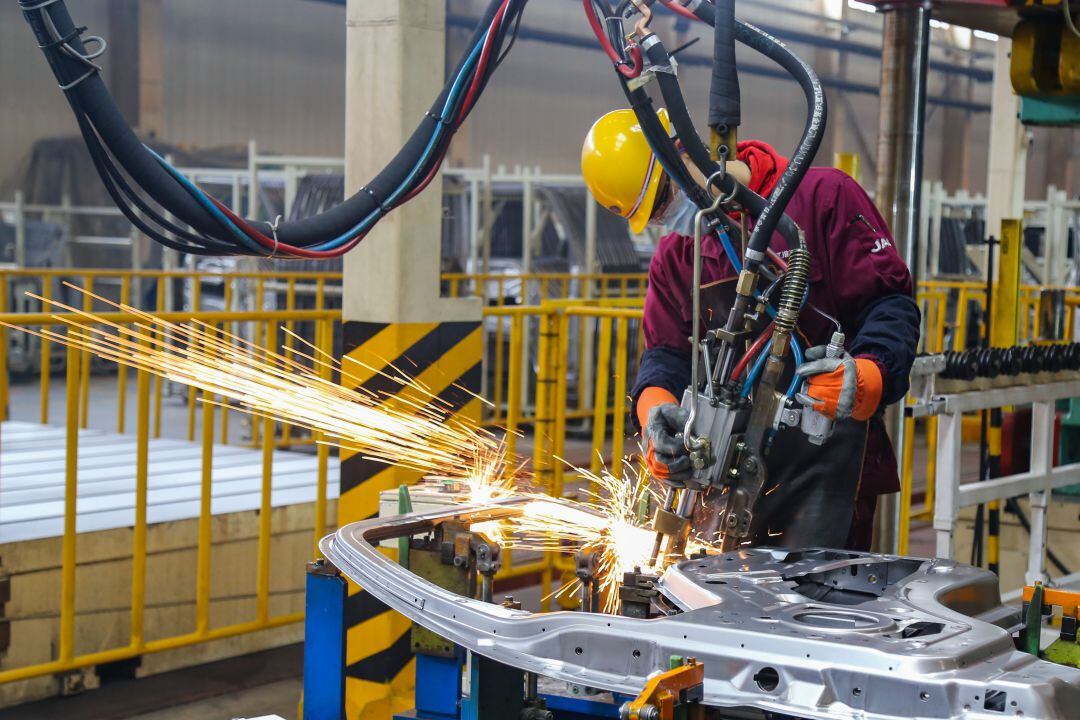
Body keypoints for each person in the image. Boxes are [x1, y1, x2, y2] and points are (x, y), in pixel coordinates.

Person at [581, 109, 920, 550]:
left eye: (665, 199)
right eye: (656, 215)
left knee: (814, 609)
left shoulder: (822, 198)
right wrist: (654, 416)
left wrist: (870, 377)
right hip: (725, 476)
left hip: (828, 467)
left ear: (685, 150)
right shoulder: (676, 257)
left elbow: (890, 306)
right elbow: (664, 355)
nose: (669, 218)